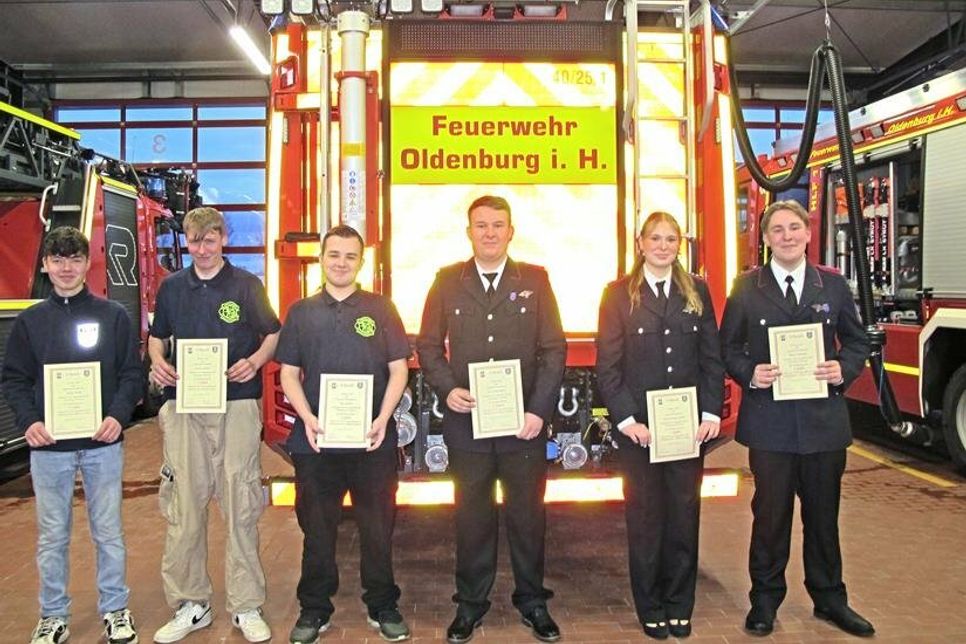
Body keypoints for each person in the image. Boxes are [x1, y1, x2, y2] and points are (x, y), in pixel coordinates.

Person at [719, 200, 874, 638]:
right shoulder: (746, 287)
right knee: (770, 519)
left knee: (824, 520)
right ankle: (764, 603)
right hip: (771, 427)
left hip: (823, 425)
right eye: (777, 230)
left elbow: (858, 341)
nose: (786, 236)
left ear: (808, 234)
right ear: (766, 239)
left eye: (794, 228)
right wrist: (751, 373)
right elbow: (727, 347)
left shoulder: (834, 285)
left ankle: (830, 600)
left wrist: (843, 368)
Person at [416, 195, 567, 644]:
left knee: (527, 517)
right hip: (469, 425)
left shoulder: (535, 281)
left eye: (497, 225)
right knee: (472, 518)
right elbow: (426, 345)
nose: (489, 233)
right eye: (480, 225)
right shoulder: (446, 281)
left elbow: (554, 349)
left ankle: (533, 602)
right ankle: (470, 605)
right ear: (469, 232)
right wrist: (448, 388)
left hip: (522, 425)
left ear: (510, 231)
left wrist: (538, 411)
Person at [1, 226, 142, 644]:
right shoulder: (30, 322)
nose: (66, 268)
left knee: (109, 532)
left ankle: (116, 610)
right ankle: (52, 615)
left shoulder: (112, 315)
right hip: (49, 448)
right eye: (58, 260)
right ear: (45, 265)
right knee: (52, 535)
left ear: (87, 263)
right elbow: (13, 379)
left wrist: (118, 415)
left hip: (102, 443)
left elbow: (131, 373)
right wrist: (29, 422)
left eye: (74, 259)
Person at [148, 207, 281, 644]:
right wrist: (159, 362)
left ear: (223, 239)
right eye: (194, 241)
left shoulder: (246, 285)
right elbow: (157, 335)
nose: (202, 249)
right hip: (185, 407)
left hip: (238, 405)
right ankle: (191, 604)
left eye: (210, 240)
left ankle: (245, 605)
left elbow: (271, 333)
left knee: (240, 504)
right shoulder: (171, 288)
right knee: (184, 506)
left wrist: (256, 362)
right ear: (186, 241)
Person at [276, 225, 412, 643]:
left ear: (361, 262)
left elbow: (399, 370)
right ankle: (314, 609)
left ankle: (383, 604)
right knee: (317, 529)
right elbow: (288, 374)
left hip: (371, 442)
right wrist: (307, 418)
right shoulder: (301, 312)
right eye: (333, 254)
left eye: (350, 256)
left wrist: (382, 420)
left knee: (377, 526)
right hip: (317, 442)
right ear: (321, 258)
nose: (341, 262)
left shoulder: (382, 308)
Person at [595, 211, 724, 640]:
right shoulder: (617, 296)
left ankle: (679, 604)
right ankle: (649, 605)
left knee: (684, 519)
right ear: (640, 243)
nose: (664, 246)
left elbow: (711, 358)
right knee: (646, 521)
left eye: (671, 239)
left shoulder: (697, 292)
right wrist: (627, 420)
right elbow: (608, 367)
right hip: (640, 433)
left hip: (687, 430)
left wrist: (710, 413)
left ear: (678, 245)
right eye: (656, 238)